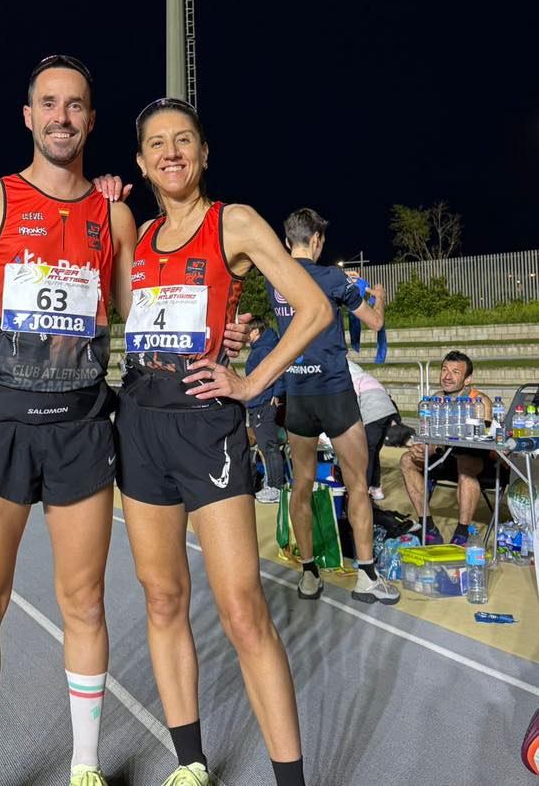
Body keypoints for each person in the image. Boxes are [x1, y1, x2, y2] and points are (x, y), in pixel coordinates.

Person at [0, 58, 249, 786]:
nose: (62, 116)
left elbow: (144, 309)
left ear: (92, 121)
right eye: (49, 104)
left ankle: (85, 769)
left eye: (77, 106)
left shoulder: (115, 214)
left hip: (83, 425)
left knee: (85, 600)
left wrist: (223, 332)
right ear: (28, 115)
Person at [112, 97, 332, 786]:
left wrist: (252, 381)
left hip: (206, 428)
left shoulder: (230, 221)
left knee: (241, 608)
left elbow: (315, 307)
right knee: (162, 598)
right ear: (143, 162)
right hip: (141, 426)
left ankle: (289, 780)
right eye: (157, 144)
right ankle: (191, 764)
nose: (171, 151)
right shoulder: (142, 235)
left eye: (185, 140)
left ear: (204, 155)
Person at [268, 208, 400, 606]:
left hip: (298, 394)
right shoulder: (334, 277)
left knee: (302, 486)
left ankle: (309, 573)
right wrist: (376, 296)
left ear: (288, 238)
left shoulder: (275, 279)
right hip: (336, 392)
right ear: (318, 240)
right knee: (357, 483)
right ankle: (366, 576)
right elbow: (374, 323)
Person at [399, 350, 492, 546]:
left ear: (467, 380)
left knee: (465, 462)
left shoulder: (480, 401)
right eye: (444, 370)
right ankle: (428, 526)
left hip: (476, 460)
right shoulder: (435, 400)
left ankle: (462, 532)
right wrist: (424, 450)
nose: (447, 376)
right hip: (445, 458)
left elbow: (486, 441)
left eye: (456, 372)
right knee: (407, 459)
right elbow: (433, 442)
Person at [244, 318, 286, 504]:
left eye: (248, 331)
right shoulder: (261, 348)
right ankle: (273, 484)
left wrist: (277, 393)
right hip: (258, 401)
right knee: (266, 446)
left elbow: (280, 370)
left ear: (256, 332)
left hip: (263, 402)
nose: (245, 335)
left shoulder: (264, 349)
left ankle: (276, 488)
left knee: (268, 447)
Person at [347, 359, 399, 501]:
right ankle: (375, 488)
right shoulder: (365, 377)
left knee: (366, 454)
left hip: (374, 412)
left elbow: (353, 402)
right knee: (374, 452)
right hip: (387, 411)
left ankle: (364, 491)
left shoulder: (350, 379)